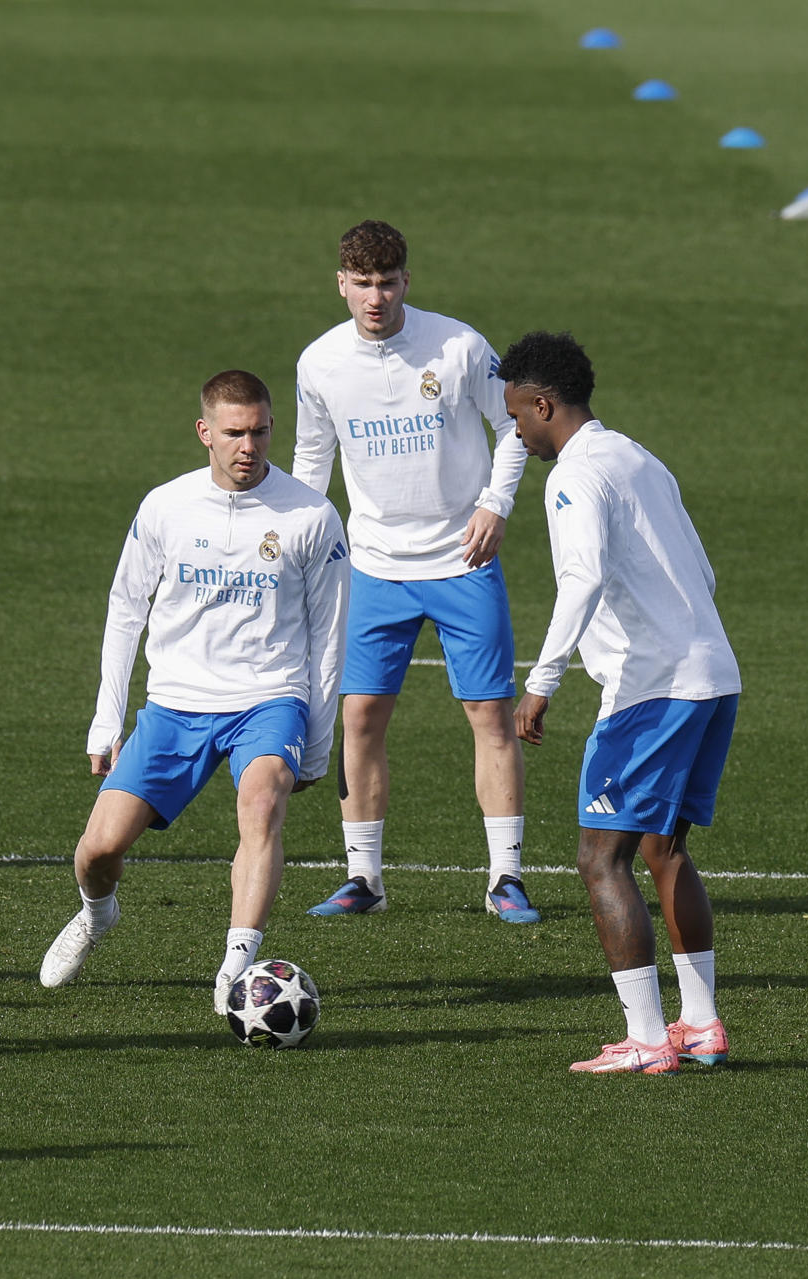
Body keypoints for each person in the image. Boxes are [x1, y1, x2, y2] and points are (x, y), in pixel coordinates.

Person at [40, 370, 349, 1014]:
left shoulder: (312, 516)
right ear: (204, 432)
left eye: (261, 431)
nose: (249, 446)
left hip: (270, 696)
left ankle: (237, 968)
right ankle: (99, 915)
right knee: (97, 851)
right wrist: (106, 722)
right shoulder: (164, 507)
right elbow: (126, 608)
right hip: (177, 703)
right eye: (234, 433)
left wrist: (316, 744)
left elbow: (329, 635)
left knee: (261, 804)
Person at [504, 332, 740, 1075]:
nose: (514, 431)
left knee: (599, 859)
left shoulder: (573, 477)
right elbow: (703, 571)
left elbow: (581, 578)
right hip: (713, 675)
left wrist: (541, 682)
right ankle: (699, 1026)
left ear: (544, 405)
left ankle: (644, 1039)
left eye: (516, 416)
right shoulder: (639, 457)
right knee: (664, 849)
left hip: (652, 691)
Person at [291, 220, 536, 923]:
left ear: (407, 280)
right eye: (362, 283)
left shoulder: (458, 345)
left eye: (388, 282)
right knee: (360, 717)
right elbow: (313, 464)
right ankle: (363, 878)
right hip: (371, 567)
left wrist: (495, 504)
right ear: (340, 282)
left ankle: (506, 877)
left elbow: (514, 424)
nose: (376, 297)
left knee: (489, 714)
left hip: (463, 559)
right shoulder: (320, 364)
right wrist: (306, 546)